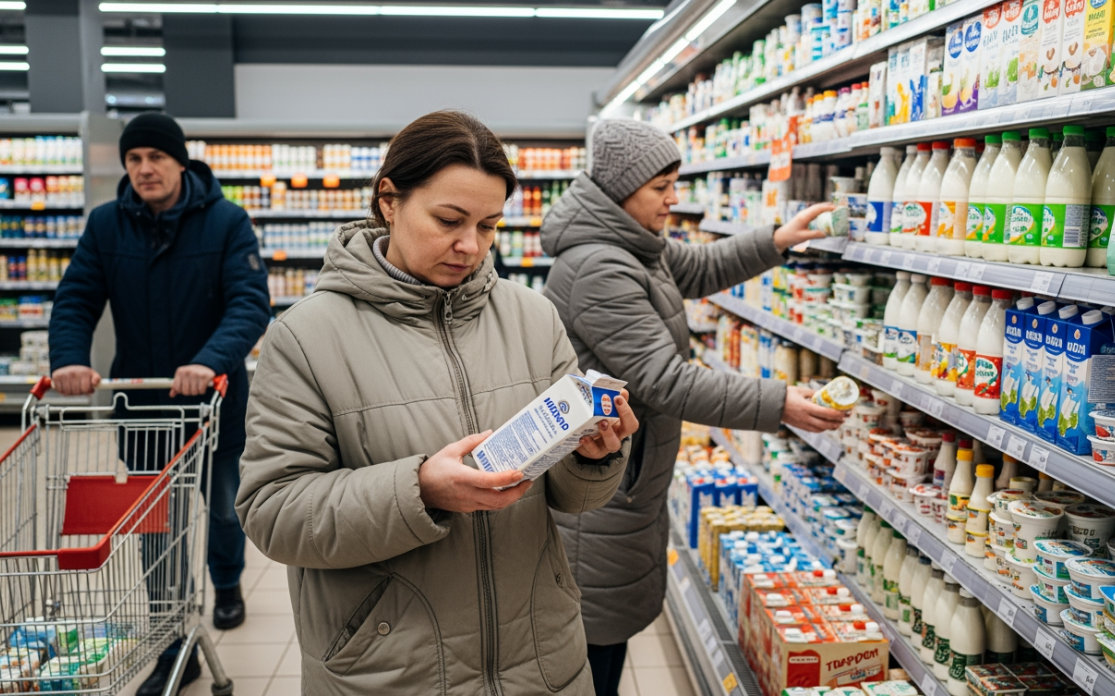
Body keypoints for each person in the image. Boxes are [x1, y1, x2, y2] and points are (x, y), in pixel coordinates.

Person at [236, 110, 640, 695]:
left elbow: (572, 498)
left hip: (541, 657)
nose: (469, 246)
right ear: (389, 201)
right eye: (448, 219)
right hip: (392, 670)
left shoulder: (533, 317)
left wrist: (596, 457)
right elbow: (273, 513)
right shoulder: (305, 337)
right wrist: (418, 489)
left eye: (489, 225)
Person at [540, 118, 848, 696]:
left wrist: (780, 238)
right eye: (662, 186)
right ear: (619, 188)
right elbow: (662, 379)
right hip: (604, 487)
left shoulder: (633, 245)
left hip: (628, 479)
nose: (674, 198)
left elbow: (700, 269)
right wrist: (779, 402)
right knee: (592, 653)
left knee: (605, 638)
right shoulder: (598, 267)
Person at [49, 112, 271, 695]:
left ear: (179, 162)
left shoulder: (226, 221)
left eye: (156, 158)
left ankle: (226, 582)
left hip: (215, 403)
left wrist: (209, 359)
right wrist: (68, 358)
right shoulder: (106, 225)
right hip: (143, 406)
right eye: (134, 159)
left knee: (224, 509)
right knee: (157, 529)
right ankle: (176, 644)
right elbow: (75, 297)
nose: (145, 169)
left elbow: (249, 305)